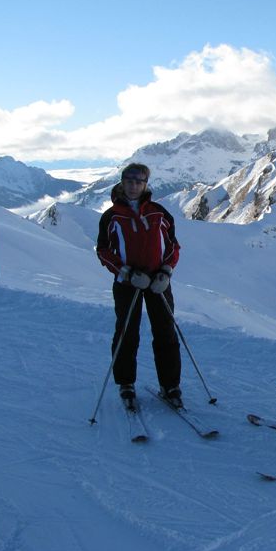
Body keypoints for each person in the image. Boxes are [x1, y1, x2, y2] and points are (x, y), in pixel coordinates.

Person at [96, 163, 183, 408]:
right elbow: (103, 251)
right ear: (122, 182)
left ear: (145, 184)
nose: (133, 186)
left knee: (165, 332)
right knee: (127, 332)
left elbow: (173, 247)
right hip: (127, 283)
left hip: (157, 282)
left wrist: (165, 272)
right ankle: (126, 383)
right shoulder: (111, 216)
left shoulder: (159, 213)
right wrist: (125, 272)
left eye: (138, 182)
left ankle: (170, 385)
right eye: (129, 181)